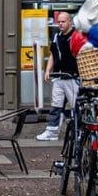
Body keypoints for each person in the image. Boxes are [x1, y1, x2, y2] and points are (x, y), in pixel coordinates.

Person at [35, 10, 80, 142]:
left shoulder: (76, 36)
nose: (60, 24)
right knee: (56, 106)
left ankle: (78, 132)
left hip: (72, 77)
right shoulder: (56, 37)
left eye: (63, 21)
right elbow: (53, 55)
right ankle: (52, 132)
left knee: (75, 106)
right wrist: (48, 70)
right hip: (59, 77)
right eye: (58, 22)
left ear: (70, 22)